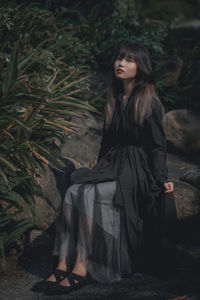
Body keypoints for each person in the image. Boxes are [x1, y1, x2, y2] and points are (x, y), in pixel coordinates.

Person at [32, 41, 176, 296]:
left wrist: (161, 177)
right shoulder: (114, 98)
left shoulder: (149, 102)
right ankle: (62, 264)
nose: (121, 63)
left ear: (140, 67)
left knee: (88, 195)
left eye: (129, 60)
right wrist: (99, 165)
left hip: (135, 169)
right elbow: (108, 141)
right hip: (113, 163)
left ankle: (81, 267)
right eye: (119, 58)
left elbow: (157, 146)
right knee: (73, 192)